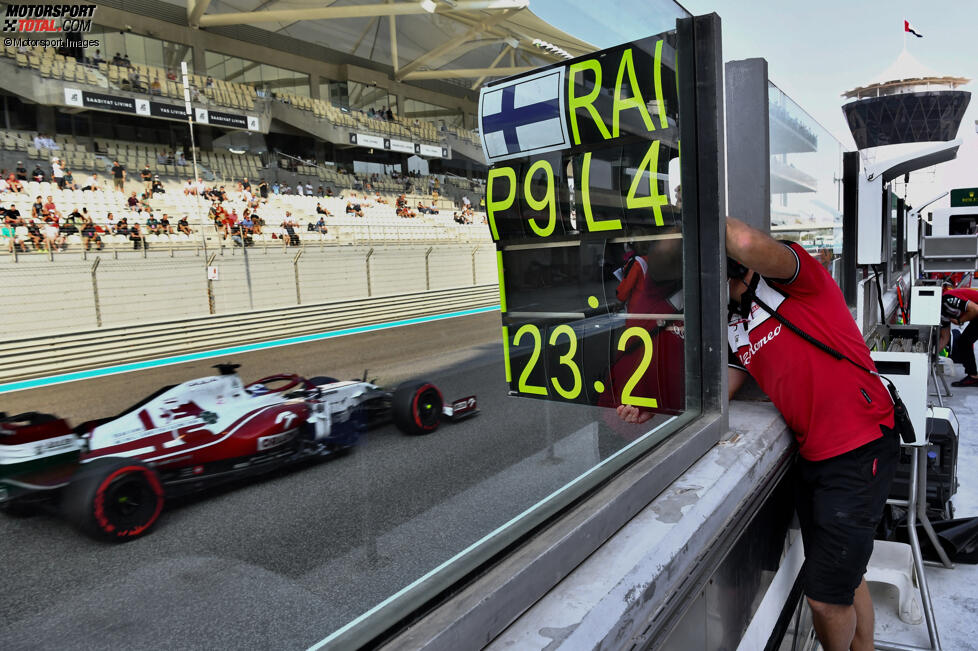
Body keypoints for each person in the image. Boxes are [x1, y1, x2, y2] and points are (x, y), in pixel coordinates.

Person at [718, 216, 898, 651]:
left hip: (861, 447)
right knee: (846, 579)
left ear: (732, 269)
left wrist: (695, 199)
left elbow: (742, 238)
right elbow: (721, 390)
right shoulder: (734, 323)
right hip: (815, 457)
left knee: (824, 598)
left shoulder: (798, 279)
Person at [937, 286, 978, 387]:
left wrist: (960, 321)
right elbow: (944, 338)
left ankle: (973, 377)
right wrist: (930, 355)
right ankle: (973, 376)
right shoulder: (941, 314)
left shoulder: (947, 300)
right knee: (963, 342)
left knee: (964, 341)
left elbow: (975, 310)